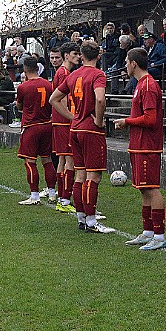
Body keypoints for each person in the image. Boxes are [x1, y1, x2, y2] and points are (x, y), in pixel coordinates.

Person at [50, 40, 115, 234]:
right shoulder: (98, 74)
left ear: (81, 55)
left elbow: (54, 99)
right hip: (90, 129)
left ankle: (81, 218)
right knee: (93, 176)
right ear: (98, 56)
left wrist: (73, 117)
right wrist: (99, 120)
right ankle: (92, 221)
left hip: (75, 129)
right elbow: (100, 98)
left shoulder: (73, 75)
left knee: (80, 174)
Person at [113, 47, 166, 250]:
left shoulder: (148, 86)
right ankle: (148, 232)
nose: (125, 66)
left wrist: (127, 121)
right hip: (139, 144)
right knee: (144, 189)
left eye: (127, 62)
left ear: (133, 63)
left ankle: (159, 236)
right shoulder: (140, 85)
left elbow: (151, 119)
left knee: (152, 188)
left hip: (148, 146)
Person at [16, 57, 56, 205]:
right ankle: (52, 193)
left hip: (31, 126)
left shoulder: (23, 87)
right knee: (47, 160)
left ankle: (34, 195)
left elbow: (20, 107)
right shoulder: (48, 84)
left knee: (30, 161)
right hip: (47, 124)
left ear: (25, 69)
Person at [51, 42, 80, 212]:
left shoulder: (63, 72)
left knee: (62, 159)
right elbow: (61, 100)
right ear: (67, 55)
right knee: (70, 160)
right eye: (75, 54)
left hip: (60, 121)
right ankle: (64, 199)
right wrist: (72, 118)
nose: (78, 57)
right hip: (63, 121)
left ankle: (61, 197)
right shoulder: (64, 73)